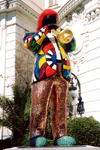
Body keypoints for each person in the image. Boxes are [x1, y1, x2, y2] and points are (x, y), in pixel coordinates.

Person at [23, 9, 76, 147]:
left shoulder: (59, 38)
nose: (52, 23)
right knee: (39, 105)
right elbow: (32, 44)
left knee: (61, 107)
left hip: (62, 75)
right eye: (49, 20)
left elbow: (72, 45)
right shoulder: (32, 35)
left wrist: (62, 32)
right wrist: (45, 30)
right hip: (42, 74)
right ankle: (36, 134)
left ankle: (60, 134)